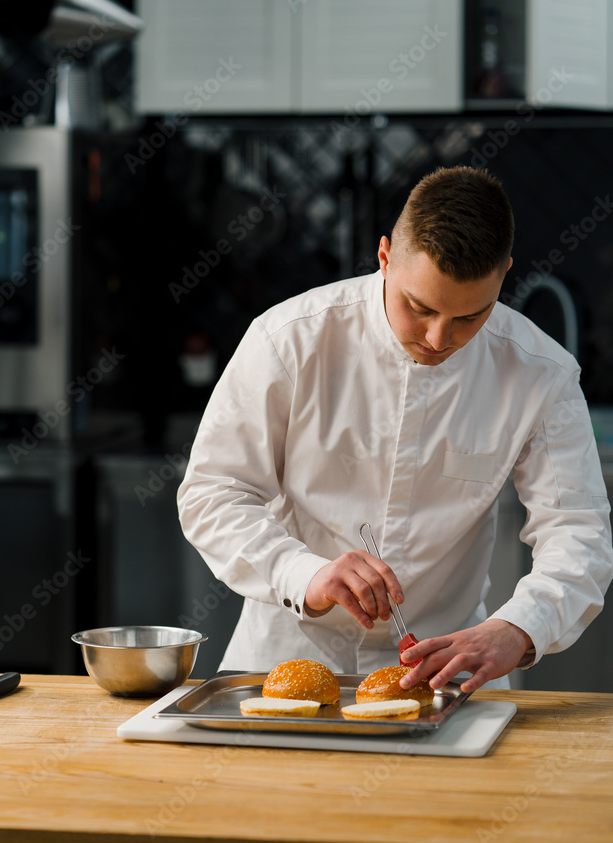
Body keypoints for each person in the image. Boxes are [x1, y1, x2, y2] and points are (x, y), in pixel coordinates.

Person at [176, 166, 613, 692]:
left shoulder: (541, 373)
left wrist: (519, 628)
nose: (438, 337)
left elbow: (578, 532)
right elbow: (212, 493)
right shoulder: (288, 340)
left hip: (451, 675)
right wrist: (303, 573)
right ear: (384, 258)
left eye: (470, 317)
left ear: (505, 276)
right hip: (284, 662)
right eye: (419, 307)